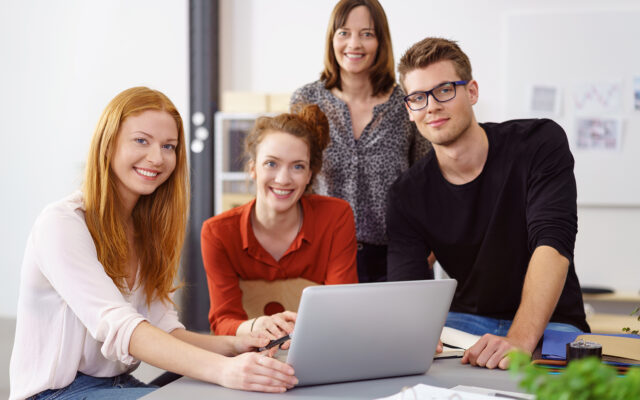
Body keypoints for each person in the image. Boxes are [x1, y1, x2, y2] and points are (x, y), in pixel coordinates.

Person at [9, 87, 297, 400]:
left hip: (118, 384)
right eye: (141, 141)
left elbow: (164, 330)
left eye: (169, 146)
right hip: (55, 393)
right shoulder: (62, 223)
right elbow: (121, 327)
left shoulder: (145, 230)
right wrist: (224, 370)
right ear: (109, 144)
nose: (157, 158)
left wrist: (240, 342)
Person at [387, 38, 590, 370]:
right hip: (464, 324)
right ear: (409, 110)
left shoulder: (539, 143)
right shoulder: (406, 194)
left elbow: (553, 244)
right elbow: (408, 289)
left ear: (472, 92)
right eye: (419, 98)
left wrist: (519, 340)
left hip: (553, 322)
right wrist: (417, 335)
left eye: (445, 90)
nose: (432, 106)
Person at [290, 0, 431, 283]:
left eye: (367, 33)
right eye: (344, 32)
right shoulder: (307, 101)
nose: (354, 44)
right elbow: (297, 177)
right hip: (325, 253)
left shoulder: (406, 102)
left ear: (381, 41)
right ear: (332, 39)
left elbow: (429, 179)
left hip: (398, 256)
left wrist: (431, 249)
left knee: (401, 329)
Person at [201, 104, 358, 340]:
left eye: (297, 166)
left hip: (321, 345)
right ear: (253, 169)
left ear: (309, 176)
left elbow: (342, 308)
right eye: (271, 164)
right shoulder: (218, 233)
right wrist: (257, 326)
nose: (283, 179)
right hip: (251, 355)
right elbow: (223, 321)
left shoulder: (336, 217)